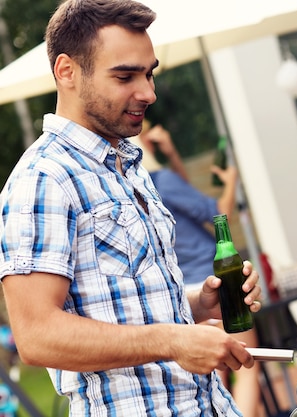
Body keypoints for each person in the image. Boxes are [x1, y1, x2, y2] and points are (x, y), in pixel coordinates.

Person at [0, 1, 263, 415]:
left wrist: (195, 301)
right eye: (125, 76)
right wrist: (173, 340)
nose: (148, 92)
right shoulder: (44, 178)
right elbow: (35, 336)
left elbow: (119, 301)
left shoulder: (129, 164)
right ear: (67, 72)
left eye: (149, 73)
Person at [132, 123, 263, 417]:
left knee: (218, 378)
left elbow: (183, 199)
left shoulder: (141, 191)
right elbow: (220, 214)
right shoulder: (162, 180)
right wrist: (231, 181)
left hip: (185, 293)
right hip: (218, 283)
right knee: (245, 366)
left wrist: (173, 155)